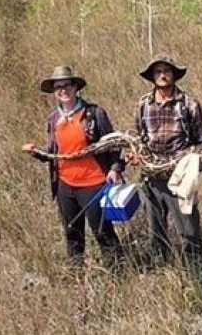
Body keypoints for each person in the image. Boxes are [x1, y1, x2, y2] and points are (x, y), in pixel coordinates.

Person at [22, 65, 125, 275]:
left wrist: (115, 168)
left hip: (94, 183)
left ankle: (118, 274)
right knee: (72, 232)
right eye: (57, 87)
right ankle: (76, 274)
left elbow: (114, 144)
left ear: (76, 87)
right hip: (65, 185)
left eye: (66, 85)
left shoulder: (94, 113)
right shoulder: (53, 119)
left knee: (102, 231)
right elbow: (56, 154)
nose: (62, 90)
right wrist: (36, 153)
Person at [126, 53, 202, 295]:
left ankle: (201, 283)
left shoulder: (189, 104)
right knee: (156, 232)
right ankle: (164, 282)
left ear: (174, 74)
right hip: (151, 179)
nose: (163, 75)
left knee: (189, 232)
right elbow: (137, 138)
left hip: (181, 179)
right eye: (157, 71)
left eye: (167, 70)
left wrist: (192, 160)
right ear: (152, 77)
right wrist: (134, 155)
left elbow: (200, 141)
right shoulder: (143, 104)